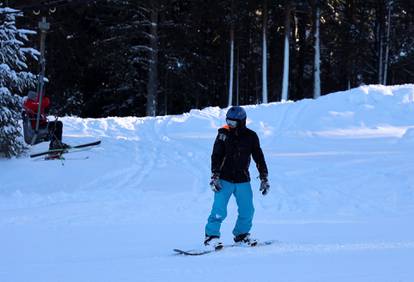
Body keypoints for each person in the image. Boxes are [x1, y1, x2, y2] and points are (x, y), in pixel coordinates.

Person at [204, 106, 270, 250]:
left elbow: (258, 157)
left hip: (242, 179)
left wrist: (264, 177)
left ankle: (241, 235)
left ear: (242, 121)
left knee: (248, 210)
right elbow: (216, 155)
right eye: (228, 121)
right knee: (219, 210)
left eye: (233, 122)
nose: (230, 124)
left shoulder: (251, 136)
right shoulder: (223, 134)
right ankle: (211, 237)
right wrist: (215, 175)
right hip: (224, 179)